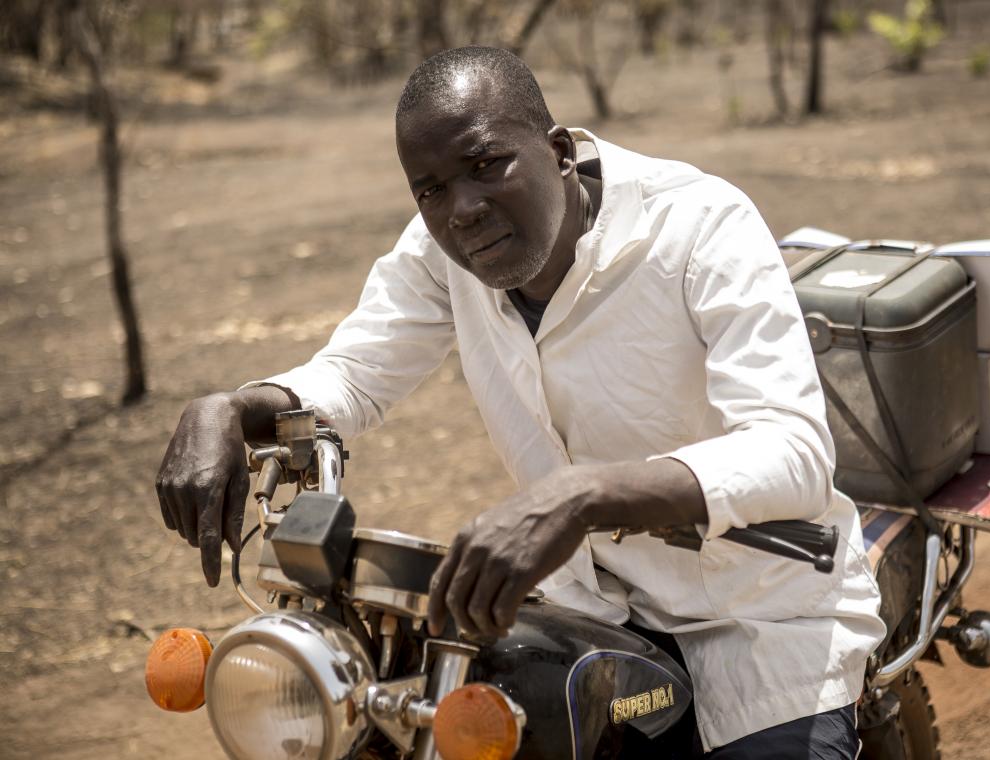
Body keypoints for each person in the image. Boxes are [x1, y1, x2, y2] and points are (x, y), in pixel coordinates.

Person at [155, 46, 885, 758]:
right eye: (431, 189)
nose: (462, 211)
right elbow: (352, 375)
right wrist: (232, 405)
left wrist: (581, 496)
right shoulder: (441, 255)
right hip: (587, 611)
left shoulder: (700, 226)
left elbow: (792, 450)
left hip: (758, 615)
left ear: (560, 150)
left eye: (485, 165)